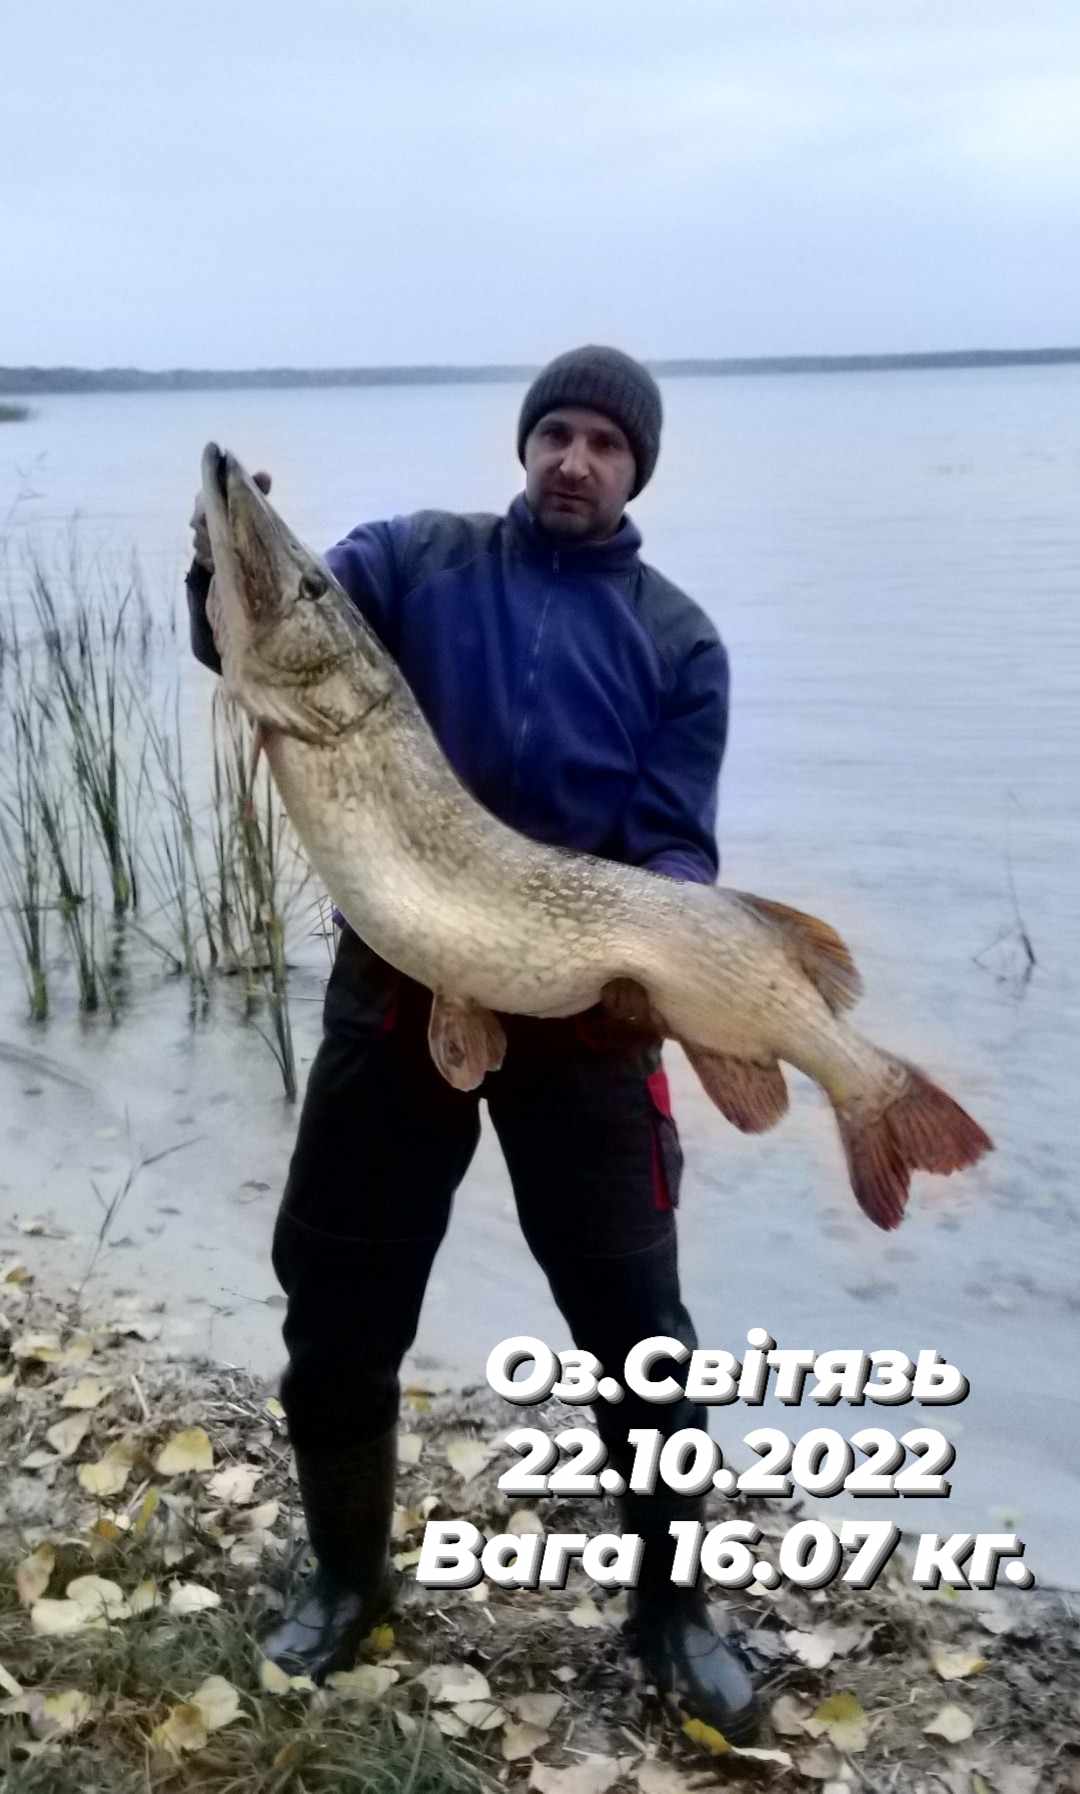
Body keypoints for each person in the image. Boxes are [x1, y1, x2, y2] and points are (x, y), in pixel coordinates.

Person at [187, 345, 758, 1743]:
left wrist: (651, 960)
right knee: (337, 1310)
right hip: (399, 988)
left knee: (643, 1338)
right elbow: (256, 640)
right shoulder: (410, 562)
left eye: (606, 444)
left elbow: (677, 839)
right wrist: (218, 572)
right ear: (525, 445)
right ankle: (346, 1579)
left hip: (581, 1023)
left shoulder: (681, 641)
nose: (575, 458)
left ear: (637, 470)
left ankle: (673, 1608)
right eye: (555, 431)